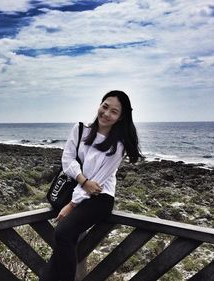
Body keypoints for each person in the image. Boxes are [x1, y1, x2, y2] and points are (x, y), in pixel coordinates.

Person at [40, 90, 143, 281]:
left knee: (63, 232)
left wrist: (72, 205)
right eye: (105, 106)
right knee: (66, 238)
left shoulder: (118, 145)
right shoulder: (80, 129)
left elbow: (97, 183)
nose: (106, 113)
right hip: (77, 189)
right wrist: (82, 180)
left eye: (114, 111)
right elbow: (67, 159)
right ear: (100, 104)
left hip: (100, 198)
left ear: (120, 117)